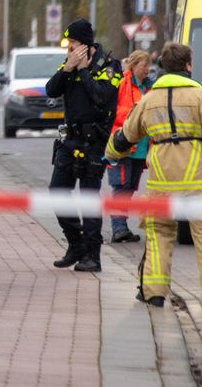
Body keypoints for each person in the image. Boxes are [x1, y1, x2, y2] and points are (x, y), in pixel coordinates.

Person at [106, 43, 202, 313]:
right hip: (198, 180)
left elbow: (126, 135)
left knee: (159, 234)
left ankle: (154, 294)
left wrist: (109, 153)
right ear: (188, 65)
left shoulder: (149, 99)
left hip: (161, 180)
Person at [46, 18, 121, 273]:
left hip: (94, 142)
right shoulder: (69, 64)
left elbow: (102, 96)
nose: (69, 51)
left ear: (87, 46)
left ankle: (92, 254)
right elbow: (51, 90)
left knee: (89, 198)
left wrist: (83, 71)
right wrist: (67, 69)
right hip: (69, 140)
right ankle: (75, 243)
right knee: (57, 191)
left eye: (73, 45)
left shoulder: (109, 66)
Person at [108, 49, 151, 243]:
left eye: (149, 65)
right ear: (133, 66)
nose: (147, 70)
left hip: (141, 146)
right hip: (122, 144)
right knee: (120, 186)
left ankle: (122, 226)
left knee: (131, 187)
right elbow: (112, 112)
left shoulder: (150, 87)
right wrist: (133, 113)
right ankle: (118, 228)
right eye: (144, 65)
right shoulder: (121, 84)